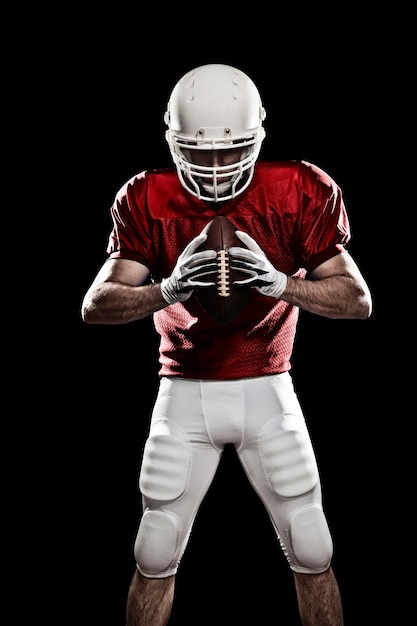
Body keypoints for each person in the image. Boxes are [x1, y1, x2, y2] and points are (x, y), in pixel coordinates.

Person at [81, 63, 372, 626]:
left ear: (258, 137)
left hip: (269, 386)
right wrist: (166, 289)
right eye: (199, 152)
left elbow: (358, 299)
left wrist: (282, 284)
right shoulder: (147, 195)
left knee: (312, 546)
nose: (215, 169)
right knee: (155, 549)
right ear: (173, 141)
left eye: (229, 151)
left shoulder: (298, 188)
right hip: (183, 393)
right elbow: (96, 305)